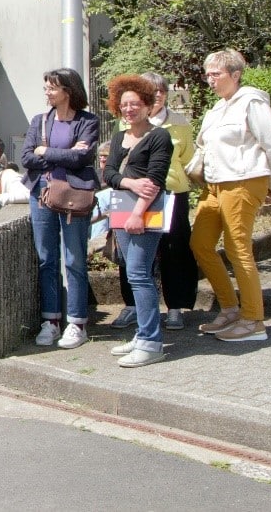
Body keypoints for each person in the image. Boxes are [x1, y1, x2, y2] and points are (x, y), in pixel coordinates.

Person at [189, 49, 271, 343]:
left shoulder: (252, 101)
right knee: (200, 243)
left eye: (216, 74)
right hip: (215, 184)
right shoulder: (217, 108)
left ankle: (254, 321)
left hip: (243, 180)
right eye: (208, 74)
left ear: (235, 75)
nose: (210, 79)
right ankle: (230, 309)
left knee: (238, 248)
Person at [20, 68, 101, 350]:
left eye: (52, 87)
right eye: (46, 87)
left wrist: (46, 151)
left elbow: (82, 158)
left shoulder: (88, 121)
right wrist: (64, 155)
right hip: (41, 194)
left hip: (73, 195)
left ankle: (77, 323)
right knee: (46, 258)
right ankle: (51, 320)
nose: (47, 92)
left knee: (74, 258)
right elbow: (26, 157)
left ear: (68, 90)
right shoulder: (39, 120)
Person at [101, 74, 174, 367]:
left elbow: (155, 181)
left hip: (144, 213)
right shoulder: (120, 137)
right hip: (122, 209)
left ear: (147, 105)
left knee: (140, 275)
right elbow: (109, 174)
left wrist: (137, 214)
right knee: (134, 275)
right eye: (124, 104)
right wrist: (130, 183)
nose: (129, 109)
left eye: (135, 104)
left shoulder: (159, 136)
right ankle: (143, 334)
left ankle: (151, 342)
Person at [141, 71, 199, 330]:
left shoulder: (180, 122)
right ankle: (135, 307)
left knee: (174, 249)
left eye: (161, 91)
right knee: (138, 251)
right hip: (139, 193)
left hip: (173, 193)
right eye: (150, 92)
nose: (157, 96)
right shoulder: (129, 120)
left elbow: (187, 157)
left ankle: (175, 307)